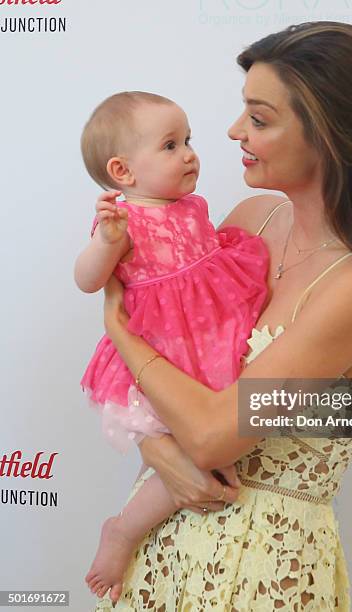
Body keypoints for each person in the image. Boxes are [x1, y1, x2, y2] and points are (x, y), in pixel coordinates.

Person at [94, 22, 352, 610]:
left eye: (260, 119)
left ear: (332, 136)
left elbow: (215, 435)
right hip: (156, 547)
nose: (234, 131)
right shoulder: (249, 220)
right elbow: (168, 364)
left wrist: (116, 328)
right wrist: (159, 453)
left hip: (263, 566)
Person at [74, 91, 269, 603]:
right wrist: (105, 243)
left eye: (187, 141)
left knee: (209, 441)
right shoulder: (123, 222)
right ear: (123, 171)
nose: (188, 154)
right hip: (167, 354)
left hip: (212, 342)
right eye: (169, 145)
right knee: (185, 453)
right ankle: (123, 529)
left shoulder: (193, 208)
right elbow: (87, 279)